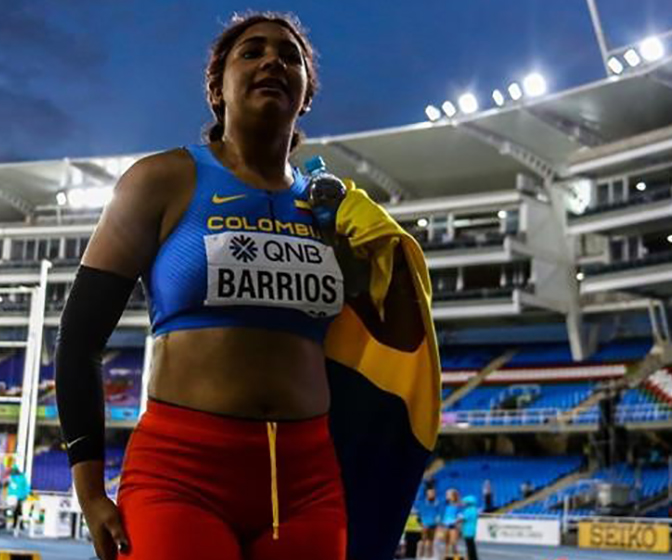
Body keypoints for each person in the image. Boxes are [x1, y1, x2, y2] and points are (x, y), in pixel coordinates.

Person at [54, 11, 436, 560]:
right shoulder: (161, 181)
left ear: (305, 94)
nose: (273, 61)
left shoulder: (333, 211)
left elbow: (399, 342)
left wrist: (384, 251)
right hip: (180, 474)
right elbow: (79, 339)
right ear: (217, 87)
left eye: (290, 56)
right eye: (251, 52)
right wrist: (89, 489)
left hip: (309, 484)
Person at [417, 488, 441, 558]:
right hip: (425, 524)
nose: (432, 495)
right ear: (427, 494)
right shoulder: (422, 503)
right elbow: (419, 514)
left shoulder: (437, 503)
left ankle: (429, 556)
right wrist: (421, 523)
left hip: (433, 524)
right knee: (423, 540)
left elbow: (438, 514)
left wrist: (437, 521)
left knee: (431, 541)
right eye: (430, 493)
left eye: (433, 493)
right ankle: (421, 555)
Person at [7, 465, 30, 531]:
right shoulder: (12, 477)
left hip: (20, 496)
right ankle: (19, 524)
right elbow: (10, 487)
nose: (13, 472)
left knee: (18, 510)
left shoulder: (22, 477)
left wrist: (25, 494)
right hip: (14, 496)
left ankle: (17, 524)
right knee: (17, 511)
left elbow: (26, 487)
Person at [442, 489, 461, 558]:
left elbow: (460, 515)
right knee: (446, 544)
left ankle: (456, 557)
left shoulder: (457, 505)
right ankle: (446, 557)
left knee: (453, 543)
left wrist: (456, 521)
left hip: (453, 525)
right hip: (445, 525)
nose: (447, 496)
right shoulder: (445, 504)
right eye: (447, 495)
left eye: (449, 495)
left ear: (453, 496)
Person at [460, 495, 480, 560]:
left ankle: (471, 558)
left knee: (469, 546)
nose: (463, 503)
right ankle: (474, 557)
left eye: (465, 502)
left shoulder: (468, 510)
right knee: (472, 545)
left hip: (467, 530)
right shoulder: (474, 509)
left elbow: (463, 518)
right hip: (472, 530)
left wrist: (456, 520)